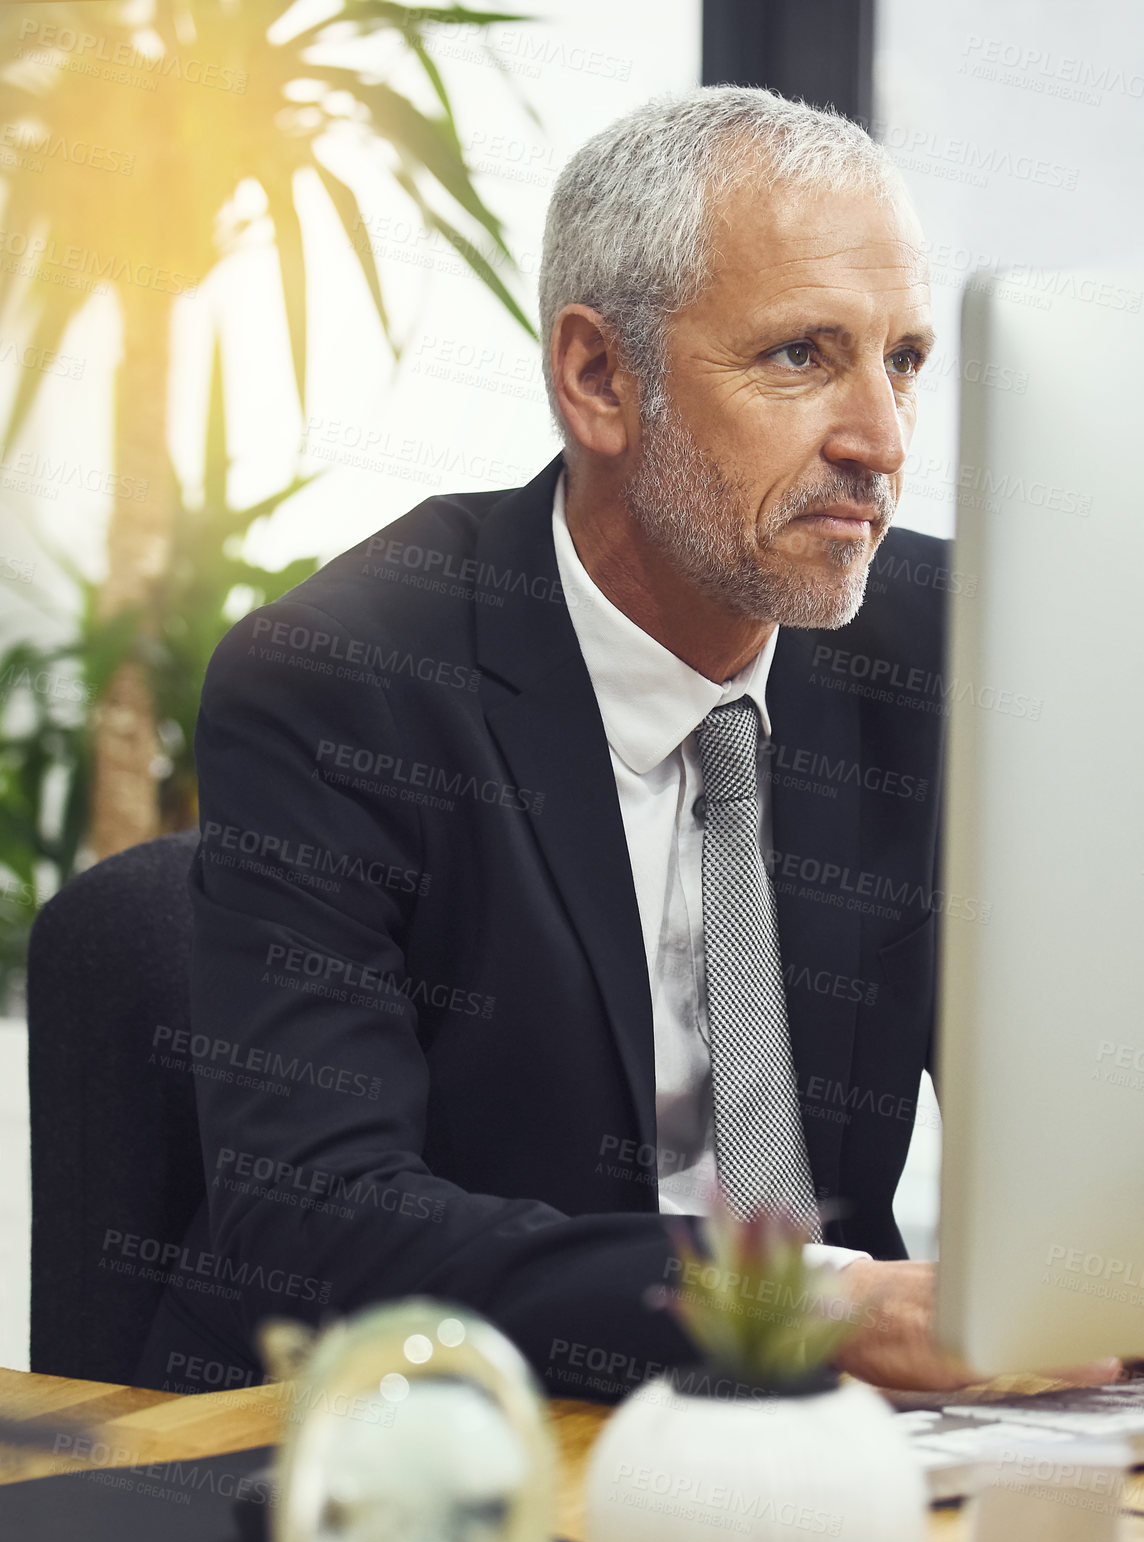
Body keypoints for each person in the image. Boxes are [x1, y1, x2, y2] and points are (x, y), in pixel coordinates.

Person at [134, 86, 1114, 1402]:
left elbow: (1092, 1132)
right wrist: (797, 1306)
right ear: (599, 378)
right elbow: (318, 1223)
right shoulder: (348, 681)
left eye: (906, 359)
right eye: (801, 356)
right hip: (440, 1446)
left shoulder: (958, 647)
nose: (880, 438)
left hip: (850, 1454)